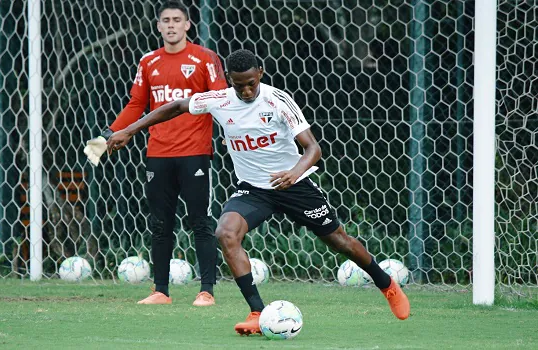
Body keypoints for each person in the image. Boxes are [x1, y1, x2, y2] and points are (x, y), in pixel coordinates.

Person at [106, 49, 410, 334]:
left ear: (260, 74)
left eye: (251, 83)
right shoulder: (220, 100)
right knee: (226, 233)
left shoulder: (278, 100)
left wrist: (294, 172)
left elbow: (313, 148)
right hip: (253, 189)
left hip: (294, 185)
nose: (246, 91)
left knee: (338, 240)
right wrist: (129, 130)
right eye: (239, 86)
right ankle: (257, 313)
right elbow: (175, 106)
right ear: (230, 80)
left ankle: (386, 284)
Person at [83, 1, 228, 307]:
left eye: (178, 20)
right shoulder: (148, 61)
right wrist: (108, 135)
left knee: (199, 221)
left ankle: (207, 290)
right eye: (166, 20)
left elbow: (221, 99)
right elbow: (136, 105)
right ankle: (160, 290)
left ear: (188, 25)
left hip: (195, 152)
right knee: (160, 223)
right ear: (159, 26)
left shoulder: (205, 59)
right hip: (158, 153)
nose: (172, 25)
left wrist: (232, 133)